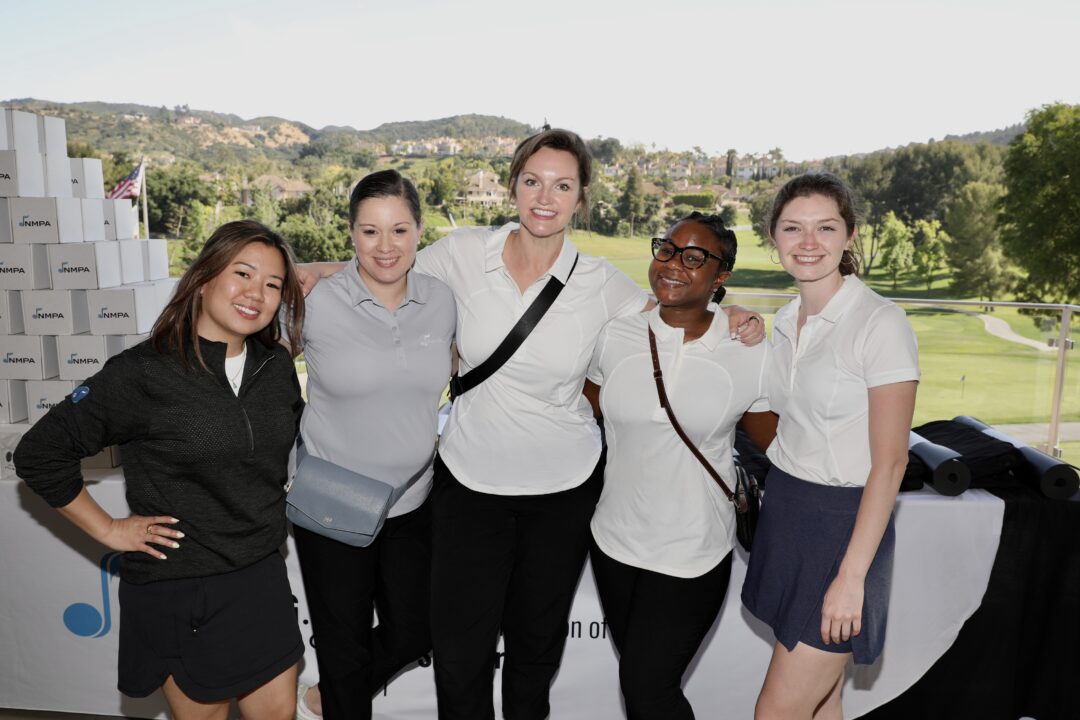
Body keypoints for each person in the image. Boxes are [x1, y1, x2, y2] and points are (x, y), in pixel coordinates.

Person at [301, 128, 764, 719]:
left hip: (561, 495)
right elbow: (381, 264)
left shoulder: (602, 283)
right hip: (468, 485)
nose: (546, 197)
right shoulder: (462, 253)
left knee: (534, 653)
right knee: (460, 655)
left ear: (581, 197)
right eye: (533, 181)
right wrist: (300, 272)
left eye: (562, 185)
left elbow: (674, 305)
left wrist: (732, 311)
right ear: (513, 186)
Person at [14, 220, 307, 720]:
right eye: (242, 274)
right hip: (182, 584)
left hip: (260, 574)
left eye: (272, 284)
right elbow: (40, 453)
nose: (256, 293)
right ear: (204, 278)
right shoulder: (145, 371)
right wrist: (108, 529)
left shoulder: (275, 367)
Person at [741, 173, 919, 719]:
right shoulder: (784, 321)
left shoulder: (880, 323)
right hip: (788, 514)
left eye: (825, 227)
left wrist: (851, 577)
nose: (808, 242)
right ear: (774, 236)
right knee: (823, 702)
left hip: (844, 530)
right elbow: (770, 413)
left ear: (850, 235)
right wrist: (734, 319)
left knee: (776, 712)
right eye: (793, 228)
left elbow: (891, 463)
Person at [586, 212, 778, 719]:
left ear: (721, 277)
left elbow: (781, 445)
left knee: (647, 689)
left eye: (694, 258)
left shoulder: (748, 352)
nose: (673, 264)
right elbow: (582, 411)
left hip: (693, 552)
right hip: (614, 543)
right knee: (645, 690)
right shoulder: (615, 335)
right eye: (667, 249)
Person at [288, 169, 454, 720]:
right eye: (370, 231)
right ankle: (341, 697)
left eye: (399, 230)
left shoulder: (442, 300)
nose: (386, 246)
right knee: (343, 647)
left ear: (420, 231)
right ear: (351, 233)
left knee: (418, 629)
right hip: (332, 505)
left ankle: (331, 697)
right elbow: (253, 357)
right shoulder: (314, 300)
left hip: (412, 504)